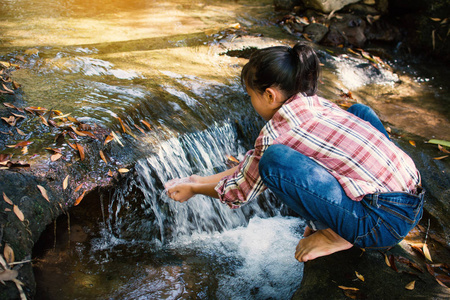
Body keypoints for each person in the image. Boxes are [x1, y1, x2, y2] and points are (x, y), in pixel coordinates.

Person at [165, 42, 424, 263]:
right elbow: (248, 167)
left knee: (274, 161)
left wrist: (195, 190)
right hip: (413, 197)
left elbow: (240, 190)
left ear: (269, 95)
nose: (251, 102)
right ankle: (345, 224)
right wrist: (198, 180)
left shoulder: (275, 134)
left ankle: (337, 234)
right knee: (360, 112)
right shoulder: (317, 104)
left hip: (381, 225)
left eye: (250, 95)